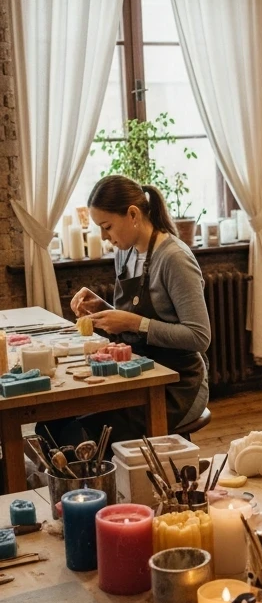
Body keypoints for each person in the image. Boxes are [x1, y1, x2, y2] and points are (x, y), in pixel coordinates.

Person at [64, 175, 211, 441]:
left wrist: (133, 323)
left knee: (89, 434)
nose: (104, 237)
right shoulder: (126, 252)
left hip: (177, 384)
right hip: (140, 371)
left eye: (107, 226)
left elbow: (199, 338)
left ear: (133, 214)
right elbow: (136, 317)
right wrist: (102, 307)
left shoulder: (174, 258)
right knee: (60, 423)